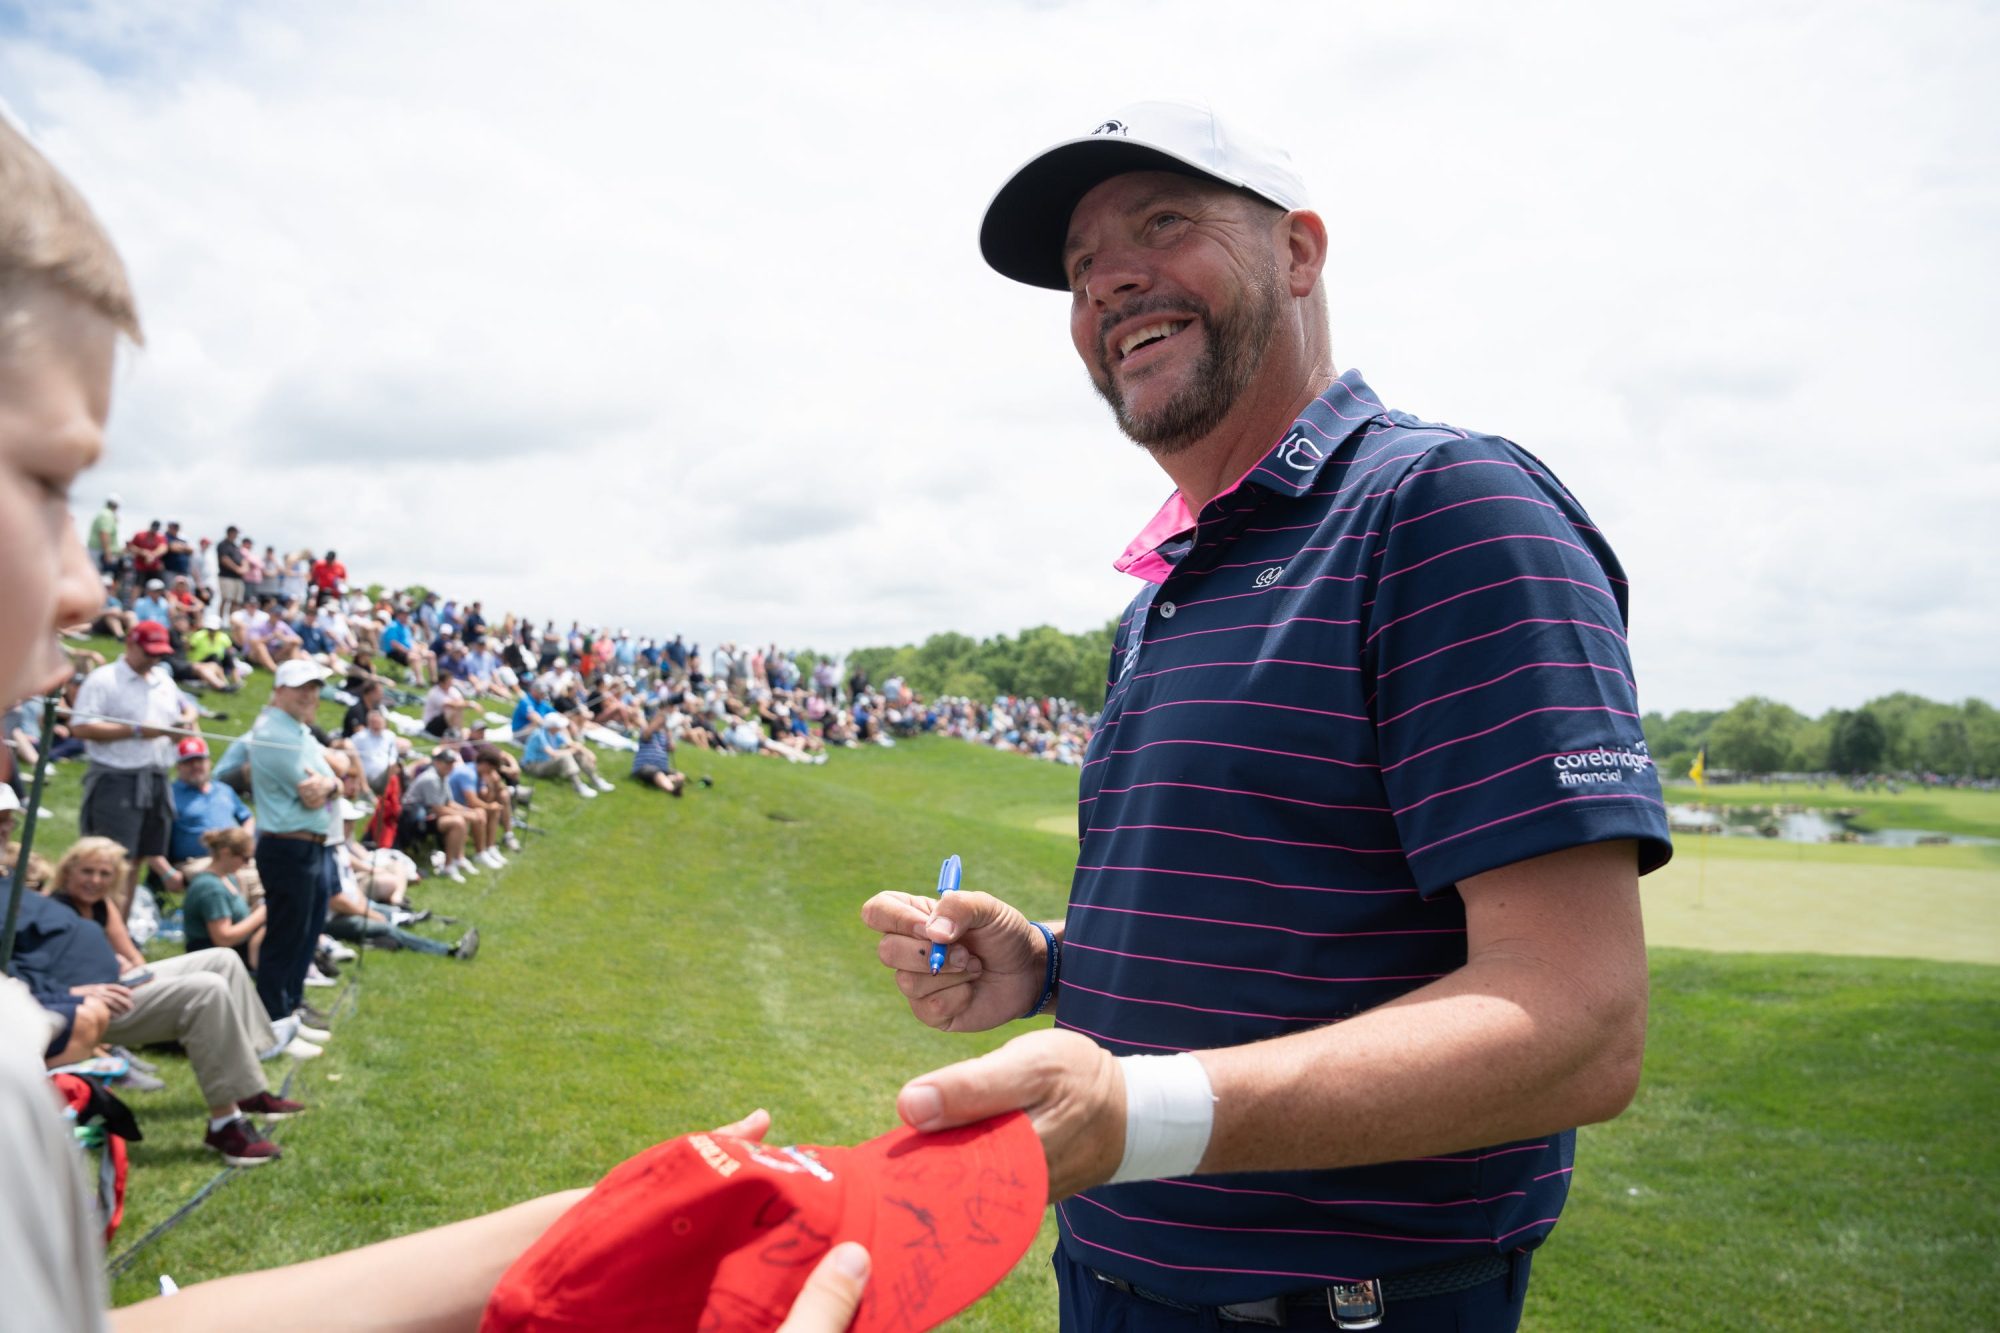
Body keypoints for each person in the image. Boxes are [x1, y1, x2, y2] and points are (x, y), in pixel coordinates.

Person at [862, 102, 1671, 1331]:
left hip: (1341, 1304)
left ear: (1296, 253)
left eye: (1163, 223)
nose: (1109, 282)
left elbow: (1577, 1020)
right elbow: (1293, 917)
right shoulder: (1165, 586)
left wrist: (1137, 1112)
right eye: (1080, 270)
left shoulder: (1444, 509)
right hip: (1116, 1277)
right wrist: (1050, 962)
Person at [223, 655, 343, 1022]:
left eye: (314, 688)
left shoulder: (297, 729)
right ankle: (274, 1016)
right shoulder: (275, 732)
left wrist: (331, 784)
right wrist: (330, 784)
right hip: (288, 845)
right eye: (301, 687)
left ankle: (290, 1005)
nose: (310, 695)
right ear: (278, 692)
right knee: (285, 935)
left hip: (307, 844)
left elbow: (334, 779)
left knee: (303, 932)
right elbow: (313, 789)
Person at [67, 619, 195, 911]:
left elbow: (183, 707)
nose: (154, 659)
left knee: (139, 856)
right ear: (130, 644)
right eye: (148, 652)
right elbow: (81, 726)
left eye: (159, 653)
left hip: (156, 775)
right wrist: (136, 730)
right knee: (109, 859)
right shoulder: (104, 679)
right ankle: (96, 928)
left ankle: (119, 930)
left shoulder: (163, 678)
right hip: (117, 777)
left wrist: (185, 720)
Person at [180, 827, 265, 966]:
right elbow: (223, 939)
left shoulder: (228, 878)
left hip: (233, 953)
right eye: (245, 858)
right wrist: (259, 916)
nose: (248, 863)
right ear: (226, 853)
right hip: (213, 959)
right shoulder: (211, 889)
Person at [167, 735, 255, 866]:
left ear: (209, 762)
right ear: (178, 767)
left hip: (235, 858)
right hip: (195, 862)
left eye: (200, 760)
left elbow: (247, 818)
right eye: (189, 762)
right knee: (218, 882)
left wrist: (243, 839)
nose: (196, 766)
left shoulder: (223, 789)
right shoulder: (170, 795)